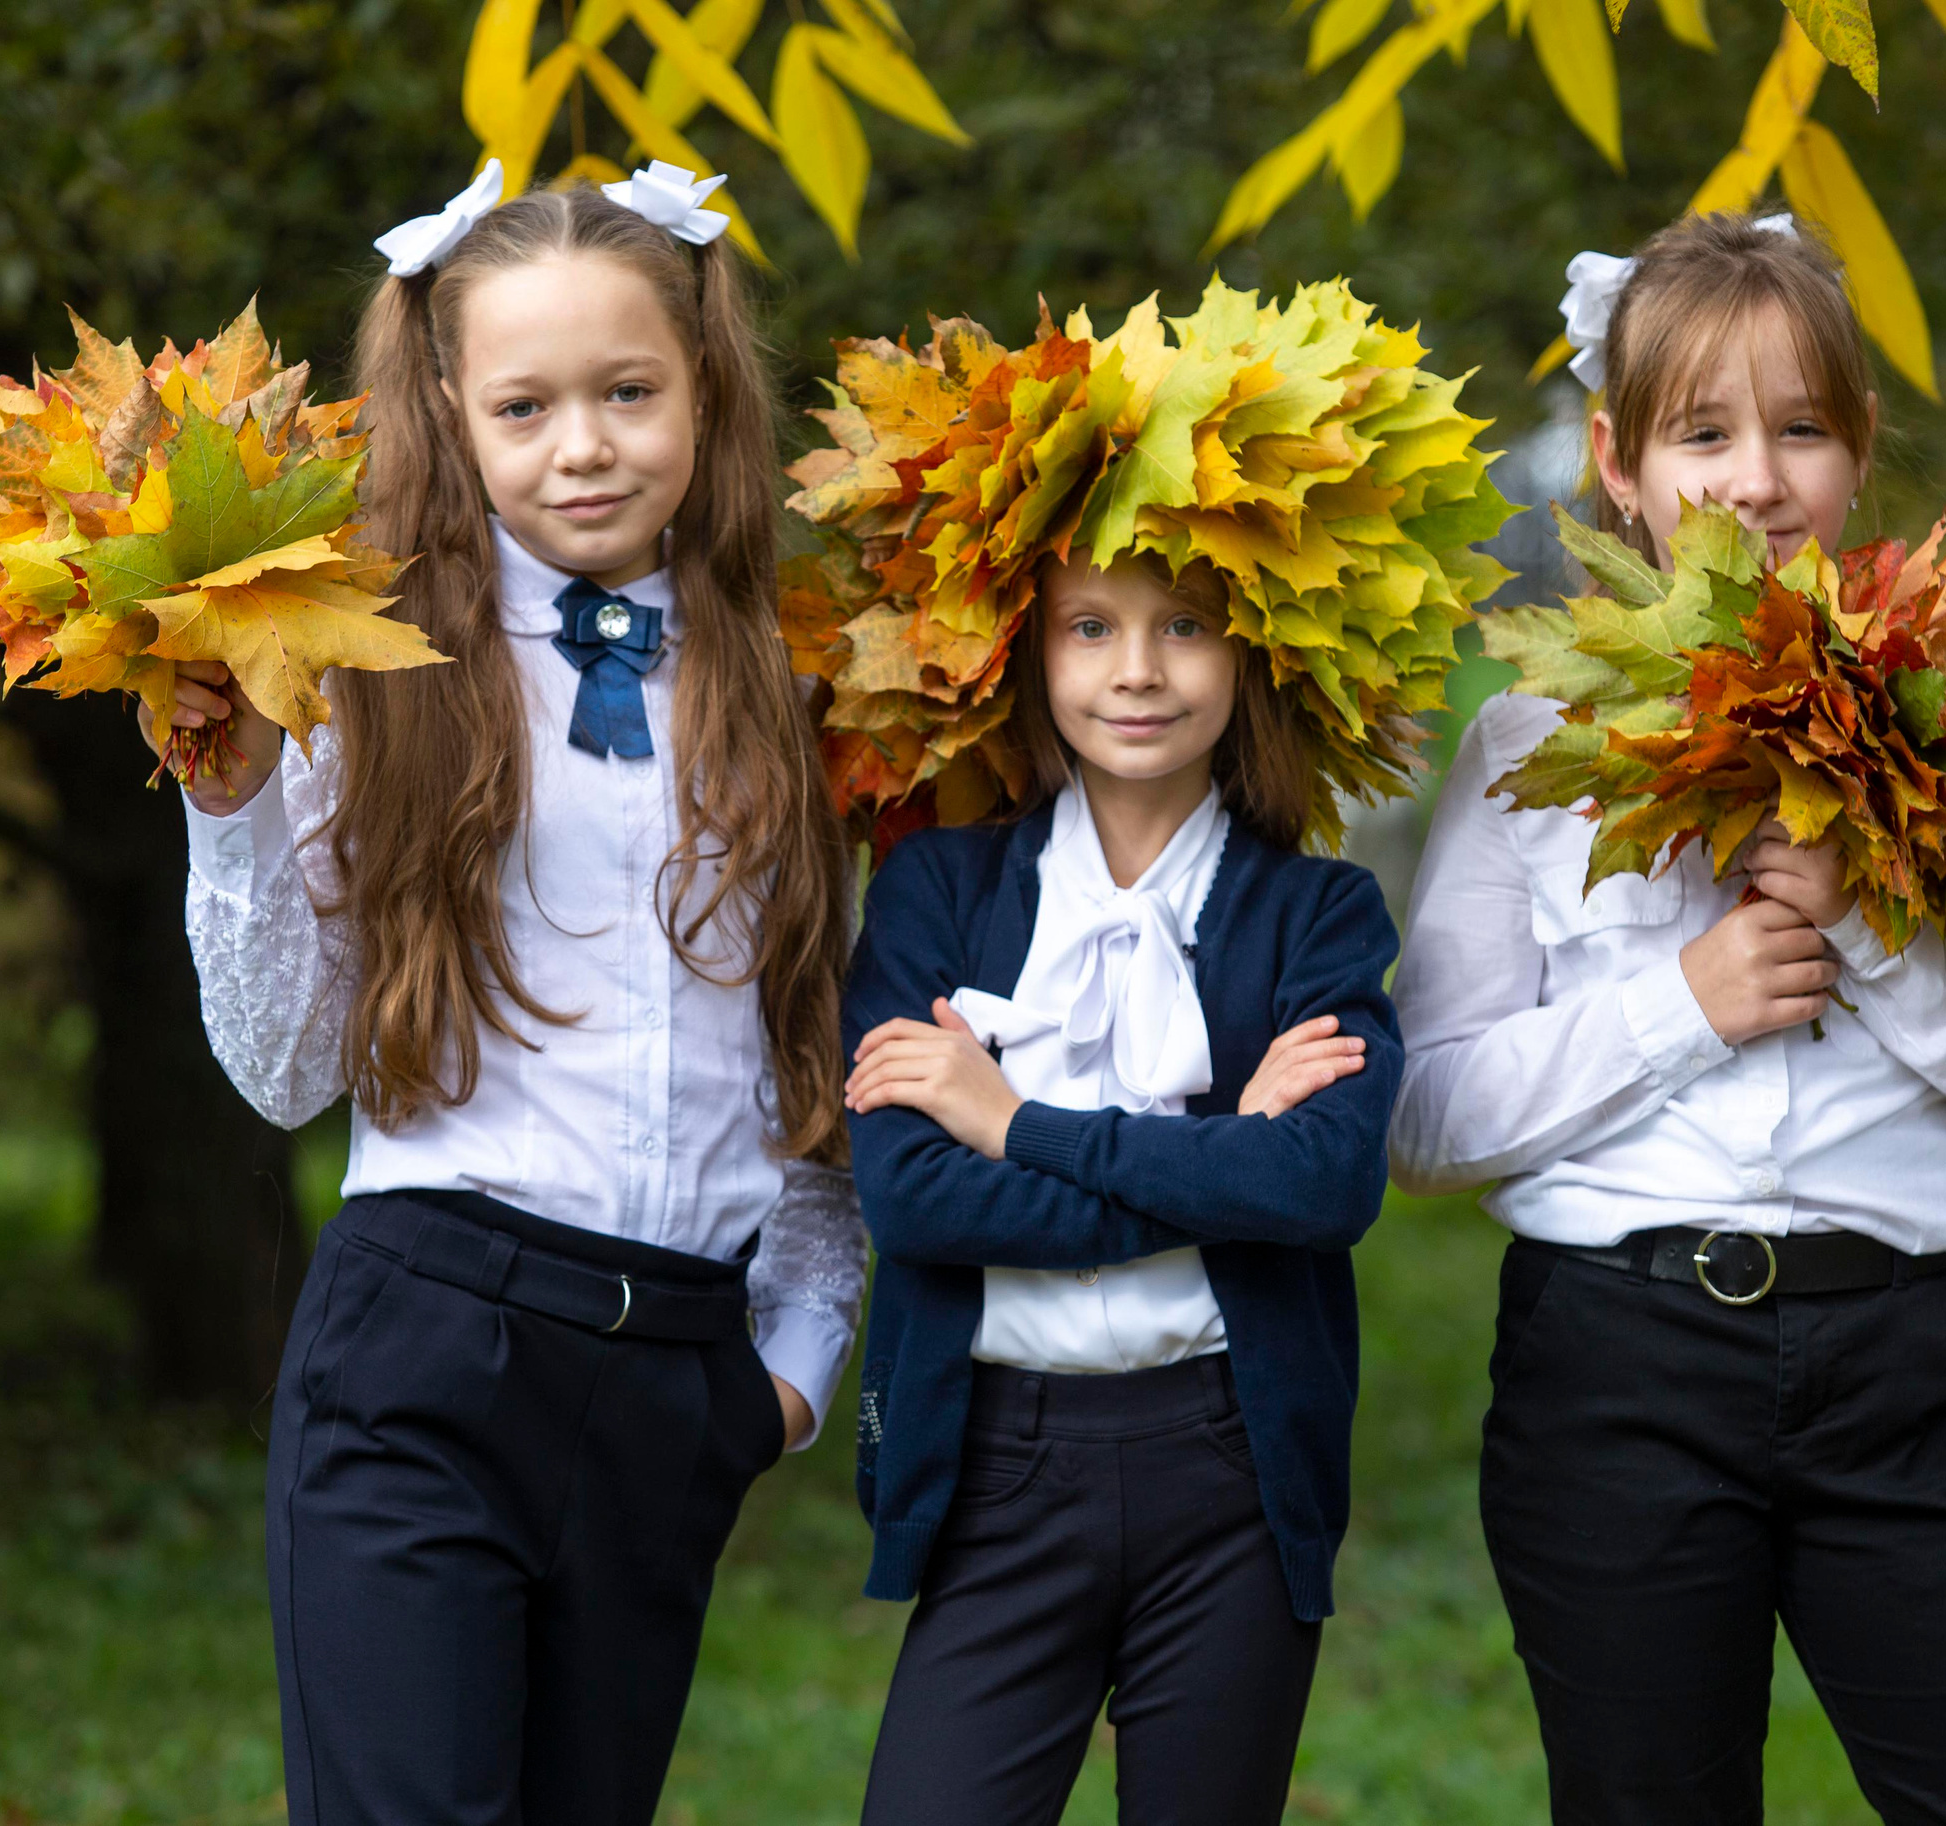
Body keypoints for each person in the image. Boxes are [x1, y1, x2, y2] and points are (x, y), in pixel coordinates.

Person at [142, 161, 866, 1826]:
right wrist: (234, 803)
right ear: (451, 411)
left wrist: (795, 1363)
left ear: (703, 390)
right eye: (526, 404)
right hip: (425, 1345)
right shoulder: (368, 669)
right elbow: (282, 1072)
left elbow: (806, 1047)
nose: (584, 444)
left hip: (678, 1376)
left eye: (629, 391)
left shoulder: (801, 679)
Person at [1390, 209, 1946, 1824]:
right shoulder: (1531, 738)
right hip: (1617, 1365)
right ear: (1618, 460)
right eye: (1702, 432)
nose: (1755, 478)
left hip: (1904, 1368)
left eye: (1801, 428)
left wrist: (1870, 921)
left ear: (1857, 453)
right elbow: (1423, 1117)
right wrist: (1682, 1005)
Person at [786, 282, 1498, 1825]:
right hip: (997, 1466)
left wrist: (1015, 1118)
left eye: (1185, 626)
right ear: (1025, 650)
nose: (1138, 669)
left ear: (1252, 652)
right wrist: (1213, 1151)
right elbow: (913, 1202)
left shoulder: (1314, 913)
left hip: (1228, 1462)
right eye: (1092, 626)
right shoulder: (937, 892)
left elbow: (1321, 1187)